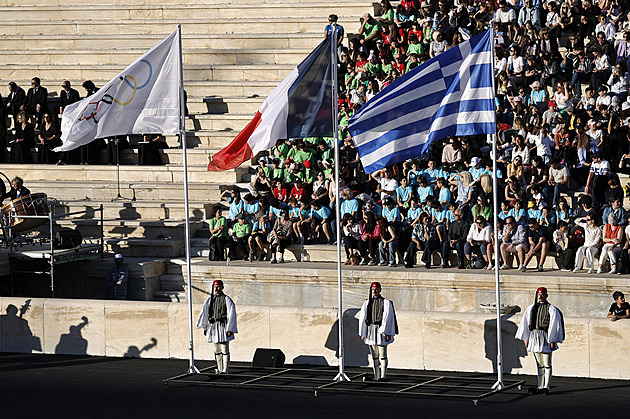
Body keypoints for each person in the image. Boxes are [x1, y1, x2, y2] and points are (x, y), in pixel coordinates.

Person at [515, 287, 565, 396]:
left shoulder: (551, 309)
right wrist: (526, 338)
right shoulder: (532, 308)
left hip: (545, 336)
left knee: (547, 364)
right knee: (539, 364)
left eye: (542, 295)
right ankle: (540, 385)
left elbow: (554, 325)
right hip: (534, 336)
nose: (540, 297)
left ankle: (546, 386)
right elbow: (526, 323)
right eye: (539, 295)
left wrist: (552, 339)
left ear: (546, 295)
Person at [196, 279, 238, 375]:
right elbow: (205, 314)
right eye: (215, 287)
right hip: (213, 327)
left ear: (222, 287)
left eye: (218, 287)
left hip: (223, 326)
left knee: (224, 349)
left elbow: (232, 314)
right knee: (216, 350)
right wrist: (205, 327)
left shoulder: (227, 299)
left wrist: (230, 329)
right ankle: (219, 369)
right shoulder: (210, 300)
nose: (216, 289)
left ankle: (225, 371)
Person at [358, 282, 398, 381]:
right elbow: (363, 318)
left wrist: (388, 332)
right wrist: (363, 332)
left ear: (380, 290)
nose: (374, 291)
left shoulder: (386, 302)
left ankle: (383, 376)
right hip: (371, 330)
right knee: (374, 355)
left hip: (381, 330)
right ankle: (376, 376)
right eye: (373, 289)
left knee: (383, 354)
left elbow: (388, 318)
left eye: (376, 289)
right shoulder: (367, 303)